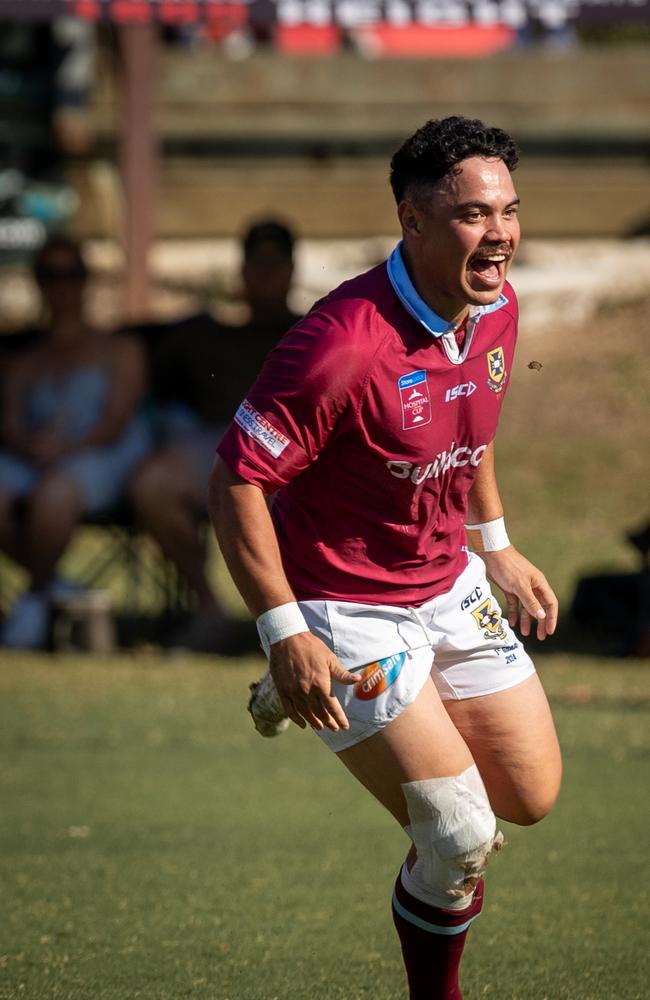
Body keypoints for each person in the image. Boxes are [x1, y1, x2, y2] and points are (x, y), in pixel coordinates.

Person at [208, 116, 562, 998]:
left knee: (532, 793)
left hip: (449, 584)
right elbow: (236, 481)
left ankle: (329, 699)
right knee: (459, 835)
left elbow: (468, 434)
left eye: (510, 212)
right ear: (413, 220)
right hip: (344, 607)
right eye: (475, 215)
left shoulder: (497, 309)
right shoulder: (342, 344)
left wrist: (498, 545)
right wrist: (285, 628)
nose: (501, 235)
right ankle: (310, 672)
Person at [130, 218, 301, 650]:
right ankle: (208, 607)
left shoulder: (313, 330)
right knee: (154, 484)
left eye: (275, 263)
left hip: (292, 450)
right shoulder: (206, 333)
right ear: (240, 269)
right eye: (256, 263)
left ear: (292, 270)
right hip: (214, 441)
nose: (265, 273)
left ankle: (299, 621)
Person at [0, 236, 150, 648]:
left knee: (55, 490)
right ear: (37, 282)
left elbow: (115, 421)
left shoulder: (121, 348)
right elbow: (10, 424)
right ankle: (54, 586)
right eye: (50, 274)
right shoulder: (26, 359)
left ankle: (34, 598)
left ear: (87, 281)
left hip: (103, 456)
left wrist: (63, 449)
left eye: (71, 273)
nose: (61, 285)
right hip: (40, 457)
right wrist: (29, 444)